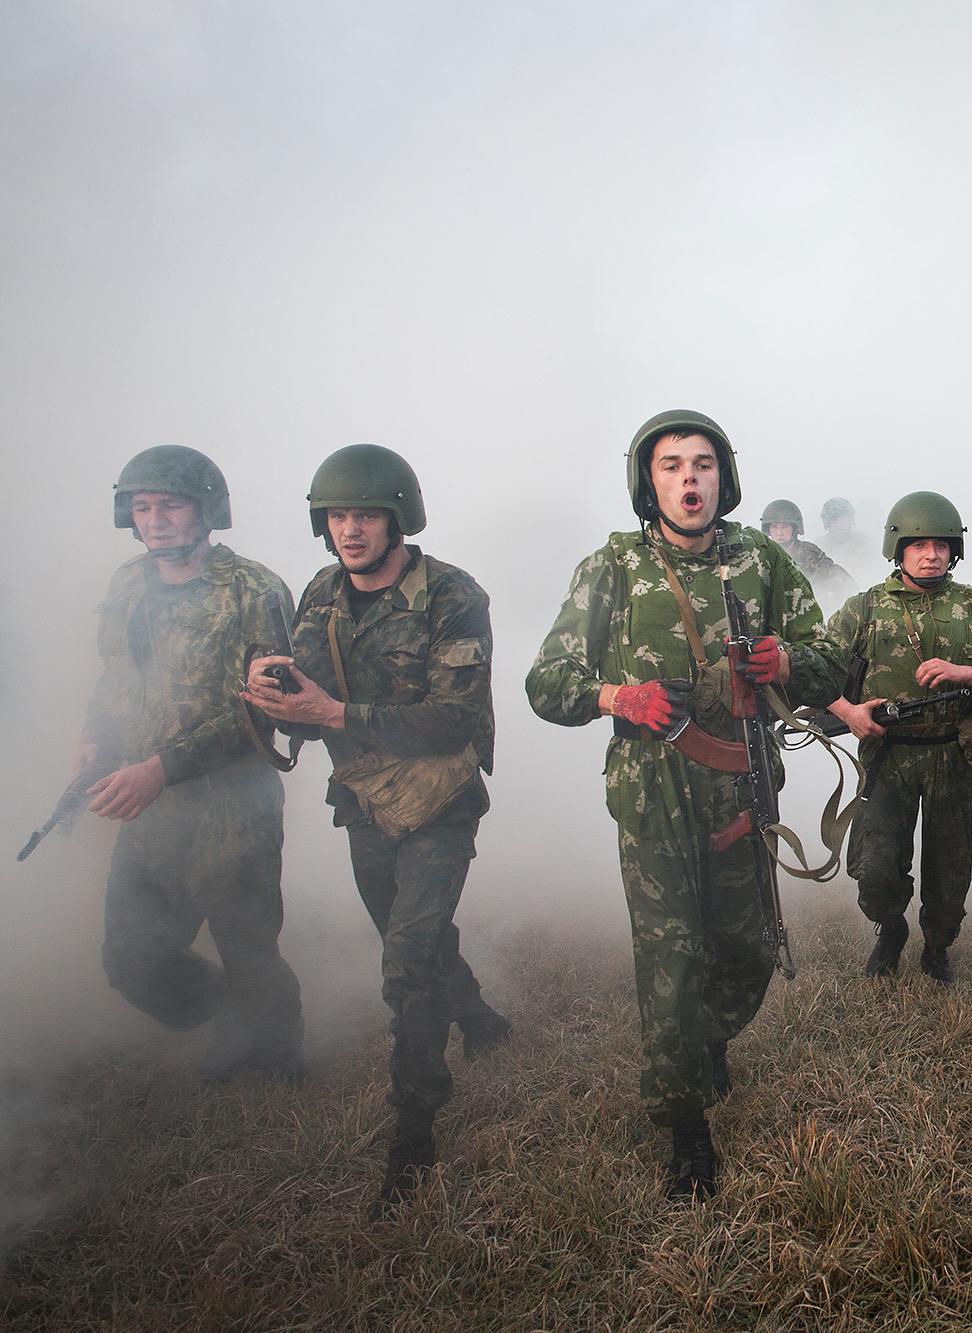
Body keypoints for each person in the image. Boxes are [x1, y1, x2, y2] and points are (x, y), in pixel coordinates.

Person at [525, 410, 844, 1198]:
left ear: (723, 478)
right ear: (649, 480)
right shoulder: (613, 567)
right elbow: (546, 683)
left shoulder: (764, 559)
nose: (689, 480)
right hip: (653, 790)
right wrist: (615, 696)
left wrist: (787, 660)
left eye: (702, 464)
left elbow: (833, 661)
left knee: (746, 948)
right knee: (670, 957)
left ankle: (706, 1044)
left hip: (742, 780)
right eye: (671, 466)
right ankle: (685, 1124)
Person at [243, 443, 512, 1211]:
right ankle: (480, 1016)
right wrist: (276, 693)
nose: (350, 529)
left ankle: (414, 1130)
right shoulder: (322, 592)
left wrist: (335, 714)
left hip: (438, 799)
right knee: (413, 931)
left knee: (406, 961)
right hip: (363, 801)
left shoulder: (452, 595)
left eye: (366, 514)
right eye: (336, 516)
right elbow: (308, 689)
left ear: (399, 518)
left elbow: (454, 713)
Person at [77, 447, 304, 1084]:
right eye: (142, 507)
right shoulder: (127, 582)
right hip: (148, 806)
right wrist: (93, 734)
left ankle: (275, 1061)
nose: (156, 520)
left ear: (207, 510)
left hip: (233, 808)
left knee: (249, 950)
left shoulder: (253, 590)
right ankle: (233, 1015)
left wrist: (162, 767)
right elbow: (116, 672)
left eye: (171, 504)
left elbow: (269, 713)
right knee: (131, 960)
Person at [826, 491, 972, 984]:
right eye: (918, 545)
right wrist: (849, 712)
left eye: (941, 545)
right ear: (899, 549)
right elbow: (817, 671)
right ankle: (890, 928)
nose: (931, 554)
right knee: (874, 867)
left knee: (949, 870)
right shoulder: (865, 608)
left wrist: (968, 673)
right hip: (887, 754)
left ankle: (938, 947)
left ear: (954, 550)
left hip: (951, 755)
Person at [760, 499, 858, 611]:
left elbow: (847, 586)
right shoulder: (762, 556)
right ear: (768, 529)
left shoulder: (809, 554)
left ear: (795, 528)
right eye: (774, 527)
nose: (779, 533)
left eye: (785, 526)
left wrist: (830, 608)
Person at [818, 496, 877, 572]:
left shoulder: (865, 544)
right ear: (827, 522)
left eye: (843, 519)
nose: (839, 524)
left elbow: (877, 570)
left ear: (850, 520)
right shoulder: (820, 546)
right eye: (834, 520)